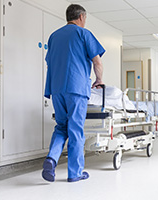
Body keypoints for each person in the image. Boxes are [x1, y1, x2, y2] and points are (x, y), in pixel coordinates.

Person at [42, 4, 105, 183]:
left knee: (61, 126)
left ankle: (51, 159)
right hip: (76, 89)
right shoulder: (84, 34)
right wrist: (99, 80)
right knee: (75, 129)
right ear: (82, 17)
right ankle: (75, 173)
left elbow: (50, 63)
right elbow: (97, 62)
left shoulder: (54, 36)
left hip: (56, 88)